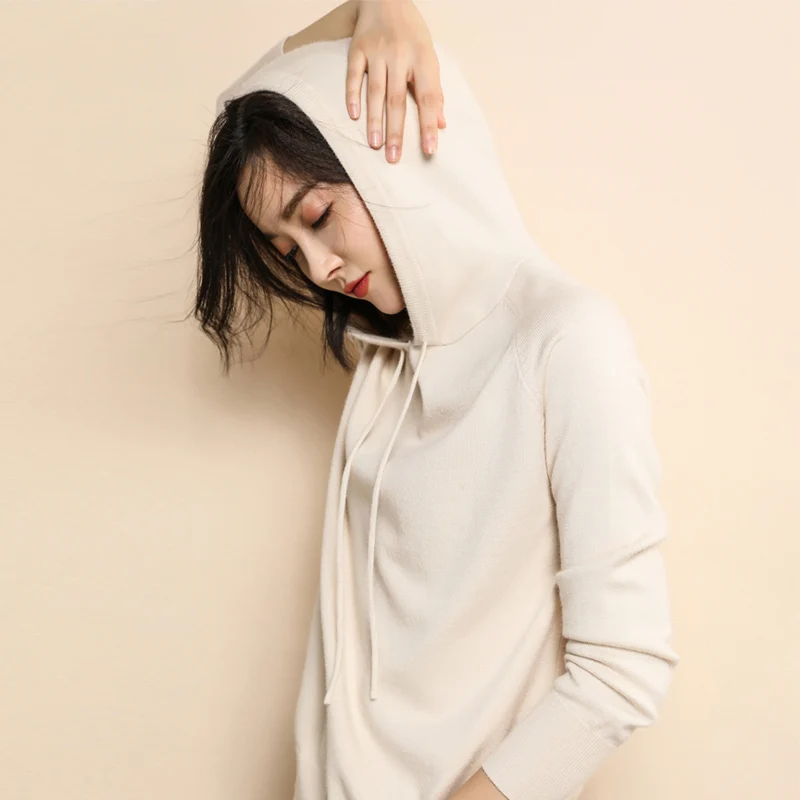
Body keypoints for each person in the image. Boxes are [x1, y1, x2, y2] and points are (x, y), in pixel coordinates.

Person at [195, 1, 681, 798]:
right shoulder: (388, 366)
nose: (317, 269)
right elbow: (241, 106)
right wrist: (376, 5)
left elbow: (621, 672)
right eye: (288, 248)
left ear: (388, 150)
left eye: (318, 217)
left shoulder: (568, 341)